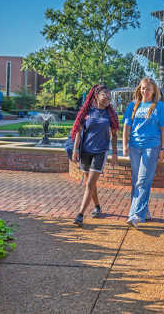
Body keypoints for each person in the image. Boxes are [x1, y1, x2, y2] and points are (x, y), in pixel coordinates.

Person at [71, 84, 120, 226]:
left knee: (91, 183)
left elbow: (115, 135)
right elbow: (78, 132)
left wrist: (115, 153)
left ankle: (80, 215)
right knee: (90, 184)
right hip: (85, 151)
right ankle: (97, 207)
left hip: (101, 151)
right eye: (105, 94)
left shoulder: (111, 114)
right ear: (96, 96)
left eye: (109, 94)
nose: (108, 97)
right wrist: (75, 150)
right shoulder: (87, 112)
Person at [123, 77, 164, 228]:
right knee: (137, 180)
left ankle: (135, 214)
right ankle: (145, 211)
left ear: (154, 90)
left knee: (143, 180)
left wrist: (163, 149)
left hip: (152, 146)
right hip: (134, 146)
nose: (145, 91)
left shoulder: (159, 107)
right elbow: (127, 127)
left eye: (148, 89)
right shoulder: (133, 105)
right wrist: (124, 145)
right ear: (139, 89)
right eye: (143, 88)